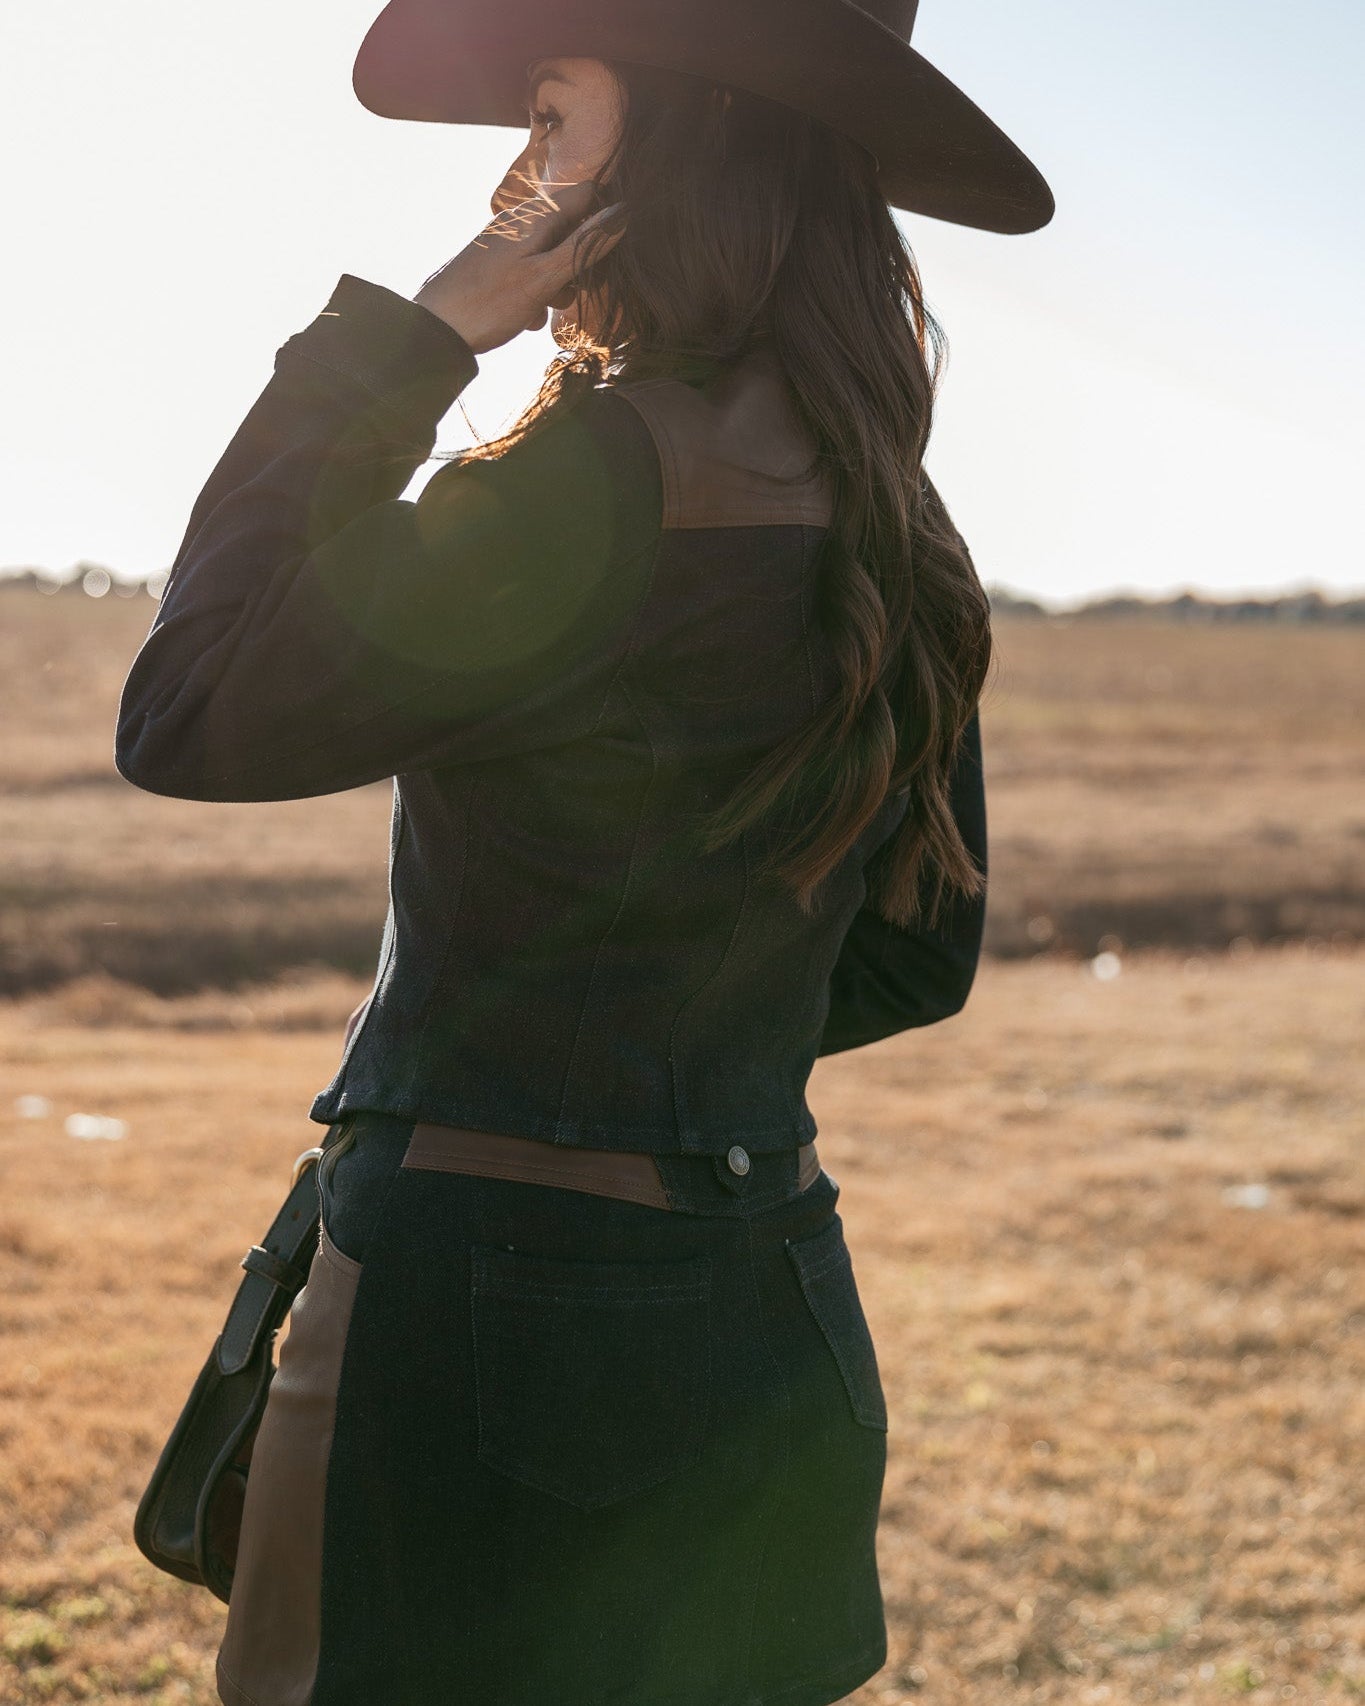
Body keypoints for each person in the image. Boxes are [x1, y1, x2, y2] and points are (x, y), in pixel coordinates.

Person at [115, 1, 1051, 1701]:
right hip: (770, 1301)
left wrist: (401, 344)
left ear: (681, 131)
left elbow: (190, 709)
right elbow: (915, 952)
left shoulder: (589, 481)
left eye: (552, 115)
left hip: (477, 1329)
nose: (515, 172)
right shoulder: (897, 519)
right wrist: (680, 1035)